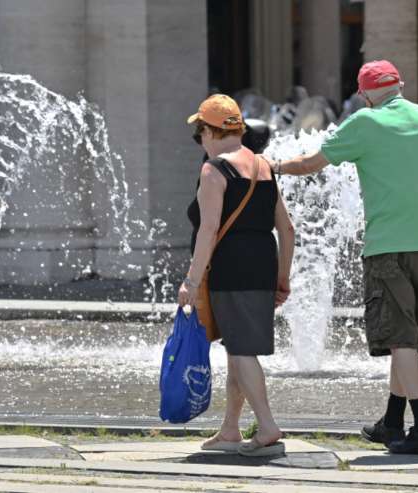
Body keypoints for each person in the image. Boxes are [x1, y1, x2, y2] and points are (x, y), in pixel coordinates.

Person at [274, 60, 418, 455]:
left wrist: (270, 166)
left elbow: (308, 165)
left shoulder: (364, 123)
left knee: (400, 339)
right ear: (400, 86)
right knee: (405, 341)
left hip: (388, 249)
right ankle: (392, 423)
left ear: (366, 93)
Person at [177, 94, 295, 457]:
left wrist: (191, 281)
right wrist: (283, 277)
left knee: (242, 351)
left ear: (210, 131)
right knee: (236, 349)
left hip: (232, 268)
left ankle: (267, 425)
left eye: (200, 132)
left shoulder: (214, 170)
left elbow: (208, 230)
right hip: (263, 262)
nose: (200, 139)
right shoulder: (263, 166)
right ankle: (230, 430)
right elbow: (287, 230)